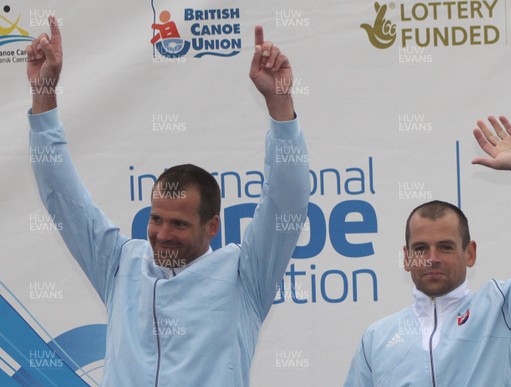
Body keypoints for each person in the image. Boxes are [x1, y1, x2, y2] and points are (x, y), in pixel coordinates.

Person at [26, 16, 309, 386]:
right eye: (157, 219)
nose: (162, 234)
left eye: (179, 223)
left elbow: (286, 201)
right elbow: (63, 197)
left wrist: (280, 103)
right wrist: (44, 91)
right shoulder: (120, 264)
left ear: (212, 227)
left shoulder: (245, 275)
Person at [344, 116, 511, 386]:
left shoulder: (507, 310)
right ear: (406, 258)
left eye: (446, 247)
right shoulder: (377, 338)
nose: (432, 258)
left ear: (470, 253)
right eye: (421, 248)